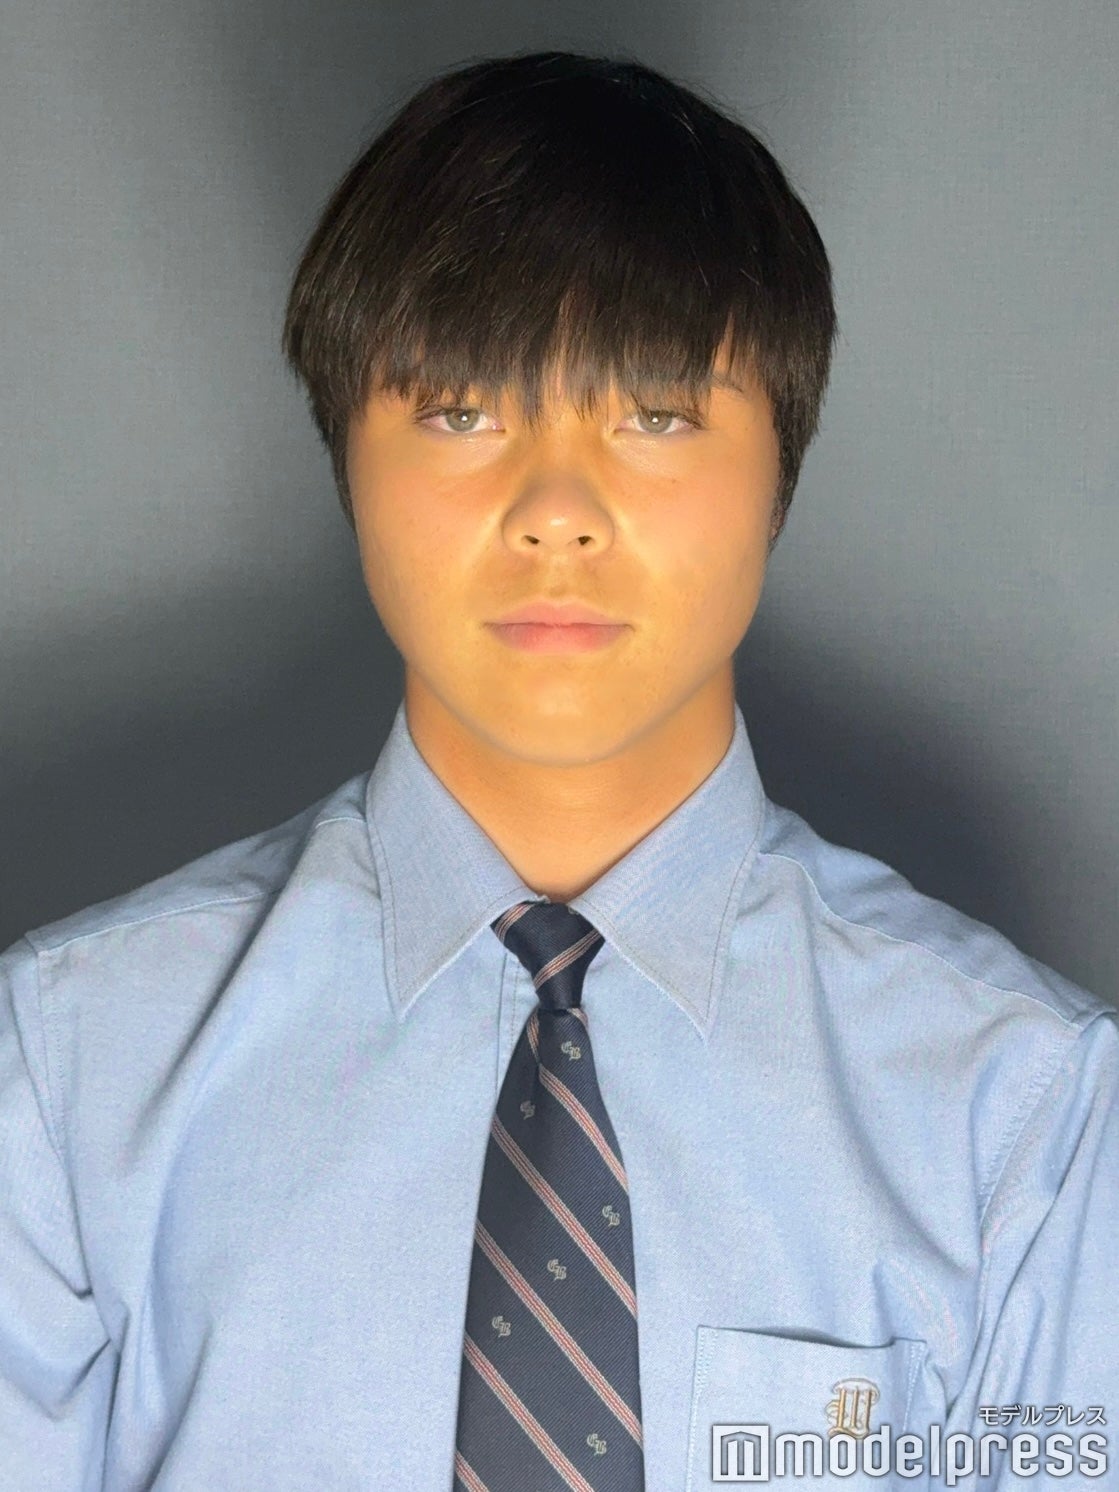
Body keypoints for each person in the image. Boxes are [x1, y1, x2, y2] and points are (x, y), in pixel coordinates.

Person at [1, 49, 1114, 1492]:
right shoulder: (66, 1072)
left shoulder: (1027, 1115)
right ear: (346, 455)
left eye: (655, 413)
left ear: (780, 464)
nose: (556, 512)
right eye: (461, 410)